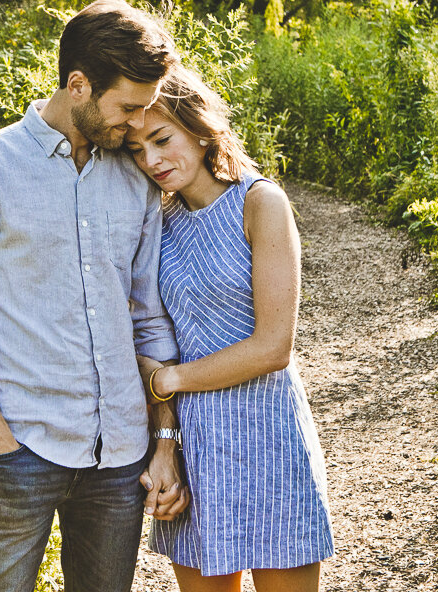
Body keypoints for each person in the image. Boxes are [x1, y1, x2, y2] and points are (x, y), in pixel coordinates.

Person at [0, 0, 190, 592]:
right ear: (78, 85)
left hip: (119, 454)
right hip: (19, 446)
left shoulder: (134, 177)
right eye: (126, 108)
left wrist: (162, 435)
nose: (137, 124)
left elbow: (148, 316)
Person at [126, 67, 335, 592]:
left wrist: (168, 380)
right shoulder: (158, 224)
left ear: (199, 128)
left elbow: (273, 347)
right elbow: (153, 343)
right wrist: (165, 444)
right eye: (136, 149)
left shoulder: (259, 203)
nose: (151, 160)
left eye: (161, 139)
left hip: (268, 435)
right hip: (193, 447)